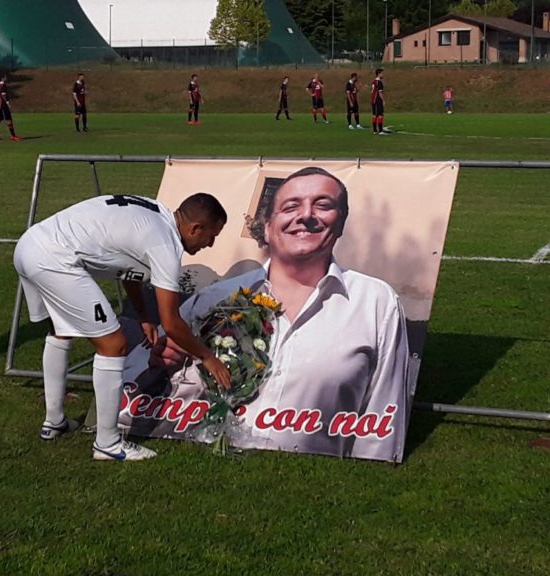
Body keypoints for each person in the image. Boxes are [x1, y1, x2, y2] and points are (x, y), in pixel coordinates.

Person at [136, 167, 410, 461]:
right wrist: (166, 361)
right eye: (291, 206)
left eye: (323, 205)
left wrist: (372, 466)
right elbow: (153, 373)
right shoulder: (213, 300)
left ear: (341, 222)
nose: (306, 215)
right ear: (267, 228)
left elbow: (385, 408)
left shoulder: (376, 302)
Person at [13, 193, 232, 461]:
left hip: (29, 245)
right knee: (113, 345)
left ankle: (54, 421)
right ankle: (107, 443)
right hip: (54, 259)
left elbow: (129, 268)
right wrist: (208, 357)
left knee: (61, 331)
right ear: (195, 228)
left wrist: (142, 315)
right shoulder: (165, 243)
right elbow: (172, 323)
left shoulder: (156, 212)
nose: (210, 244)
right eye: (212, 235)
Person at [0, 73, 19, 141]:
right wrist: (7, 102)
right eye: (5, 77)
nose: (6, 78)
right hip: (3, 104)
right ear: (2, 78)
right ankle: (13, 136)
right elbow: (3, 95)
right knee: (8, 119)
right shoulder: (3, 85)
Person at [371, 68, 386, 135]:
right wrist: (383, 100)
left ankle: (374, 130)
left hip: (373, 100)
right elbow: (380, 93)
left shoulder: (374, 81)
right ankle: (380, 131)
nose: (383, 74)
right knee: (380, 115)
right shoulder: (379, 82)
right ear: (379, 74)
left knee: (374, 115)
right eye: (382, 73)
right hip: (377, 100)